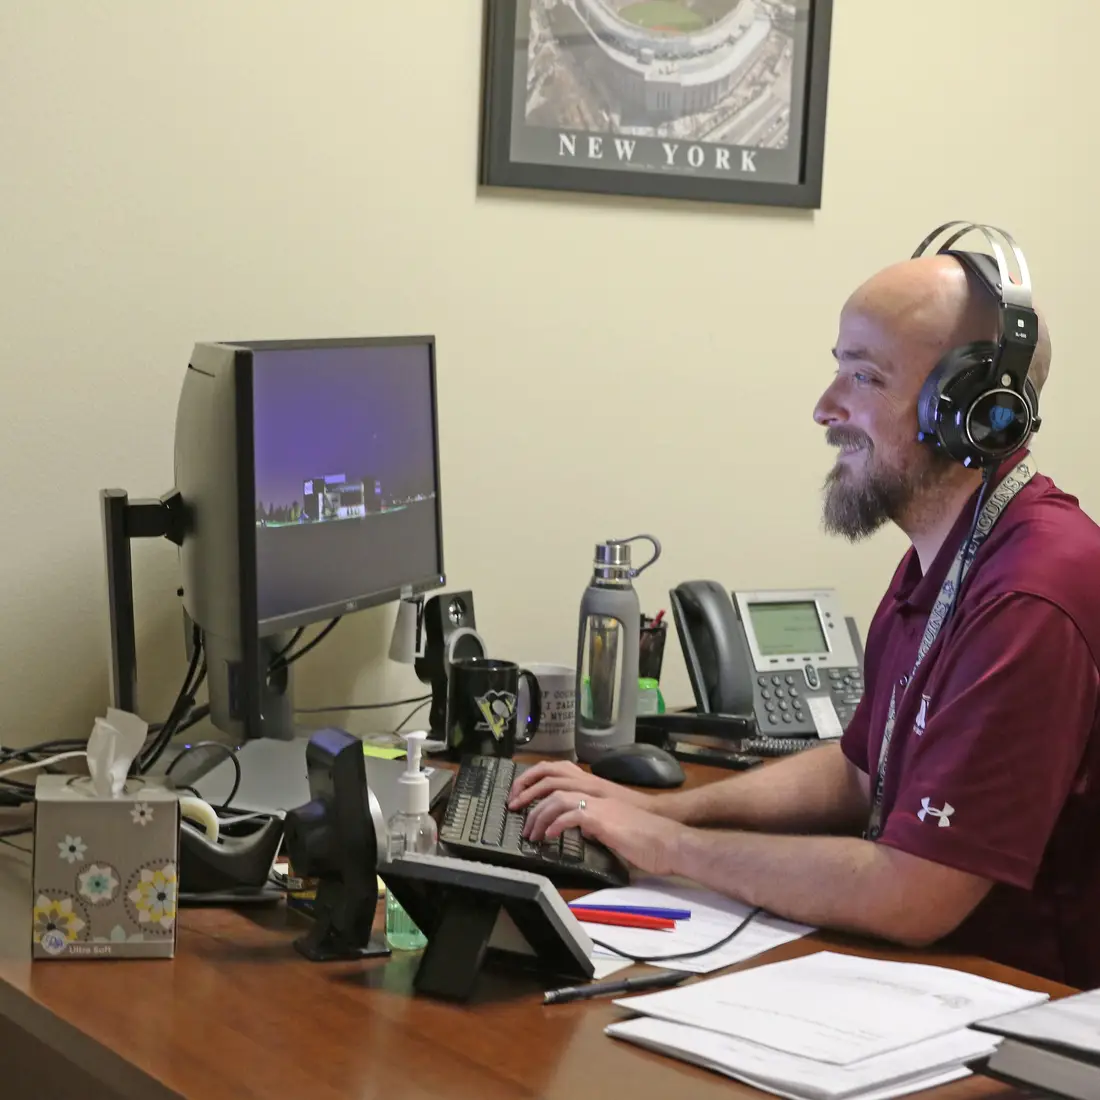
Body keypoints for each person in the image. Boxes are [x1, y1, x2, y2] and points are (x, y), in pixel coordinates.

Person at [510, 234, 1100, 989]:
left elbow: (914, 892)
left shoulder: (1029, 597)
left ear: (971, 410)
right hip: (940, 982)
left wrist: (664, 846)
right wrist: (660, 813)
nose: (826, 408)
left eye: (865, 375)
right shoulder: (951, 549)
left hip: (1023, 1018)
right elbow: (862, 774)